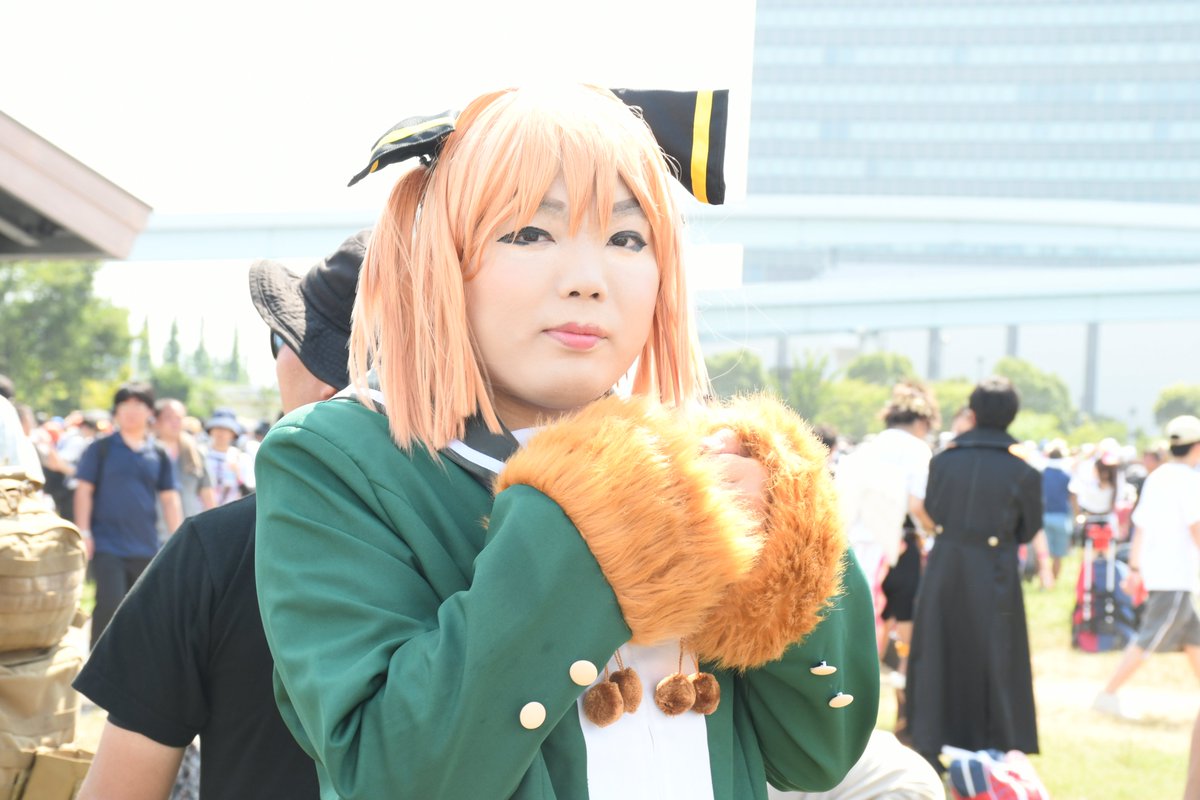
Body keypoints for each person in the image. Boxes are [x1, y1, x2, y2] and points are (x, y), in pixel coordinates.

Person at [253, 85, 877, 800]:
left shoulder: (703, 460)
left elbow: (817, 754)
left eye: (627, 239)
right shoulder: (337, 457)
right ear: (439, 256)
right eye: (529, 233)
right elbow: (396, 777)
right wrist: (592, 514)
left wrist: (791, 542)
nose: (587, 280)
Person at [72, 230, 370, 800]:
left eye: (283, 338)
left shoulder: (219, 553)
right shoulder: (514, 542)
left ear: (325, 378)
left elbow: (118, 790)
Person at [905, 376, 1044, 771]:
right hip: (994, 566)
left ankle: (929, 739)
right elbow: (1028, 530)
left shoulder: (943, 460)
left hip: (947, 563)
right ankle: (994, 742)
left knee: (938, 648)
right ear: (1012, 415)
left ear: (973, 412)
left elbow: (933, 509)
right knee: (995, 651)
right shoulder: (1024, 471)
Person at [834, 381, 938, 734]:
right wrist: (935, 529)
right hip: (900, 547)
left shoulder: (865, 449)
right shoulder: (918, 450)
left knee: (863, 631)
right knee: (907, 633)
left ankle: (853, 717)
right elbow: (917, 504)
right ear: (922, 421)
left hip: (857, 550)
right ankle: (905, 715)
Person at [1092, 415, 1200, 722]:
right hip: (1176, 574)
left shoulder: (1158, 476)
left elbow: (1140, 526)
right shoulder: (1190, 480)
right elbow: (1196, 528)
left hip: (1160, 571)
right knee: (1149, 637)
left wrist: (1135, 568)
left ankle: (1108, 694)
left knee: (1194, 639)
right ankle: (1107, 694)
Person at [74, 382, 183, 649]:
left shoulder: (158, 453)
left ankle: (132, 667)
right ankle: (98, 664)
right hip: (107, 543)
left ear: (150, 412)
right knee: (109, 603)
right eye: (125, 405)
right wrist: (83, 531)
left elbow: (169, 498)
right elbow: (84, 491)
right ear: (116, 412)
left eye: (138, 405)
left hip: (145, 544)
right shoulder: (101, 448)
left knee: (141, 609)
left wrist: (180, 538)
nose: (131, 411)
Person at [154, 398, 216, 531]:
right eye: (168, 417)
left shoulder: (195, 452)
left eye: (179, 418)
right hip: (155, 532)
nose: (174, 422)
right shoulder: (149, 453)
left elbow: (207, 494)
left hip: (188, 531)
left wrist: (214, 528)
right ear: (157, 420)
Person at [1041, 439, 1073, 582]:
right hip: (1061, 516)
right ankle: (1053, 580)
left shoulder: (1042, 474)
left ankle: (1044, 580)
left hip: (1044, 515)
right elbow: (1072, 497)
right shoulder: (1066, 475)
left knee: (1042, 553)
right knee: (1058, 554)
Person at [203, 410, 244, 505]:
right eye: (217, 428)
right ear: (210, 430)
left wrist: (238, 474)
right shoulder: (201, 454)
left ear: (233, 433)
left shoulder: (241, 457)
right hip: (203, 510)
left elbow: (249, 492)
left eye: (226, 429)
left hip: (231, 510)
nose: (221, 433)